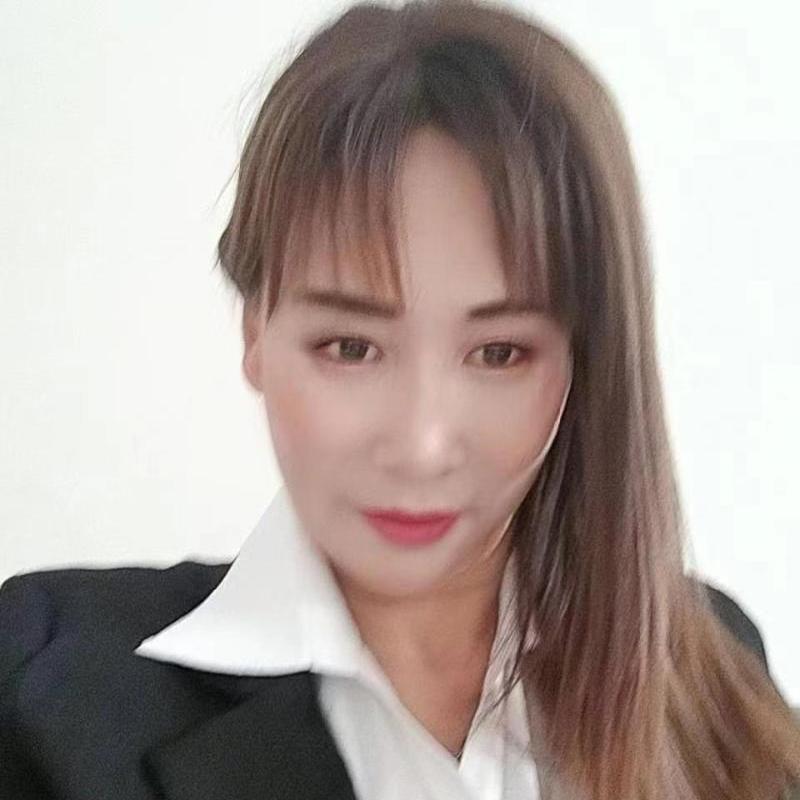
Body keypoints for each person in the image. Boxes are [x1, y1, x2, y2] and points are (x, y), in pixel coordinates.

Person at [1, 0, 798, 798]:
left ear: (584, 363)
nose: (421, 445)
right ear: (255, 333)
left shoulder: (706, 665)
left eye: (499, 353)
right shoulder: (44, 683)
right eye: (350, 348)